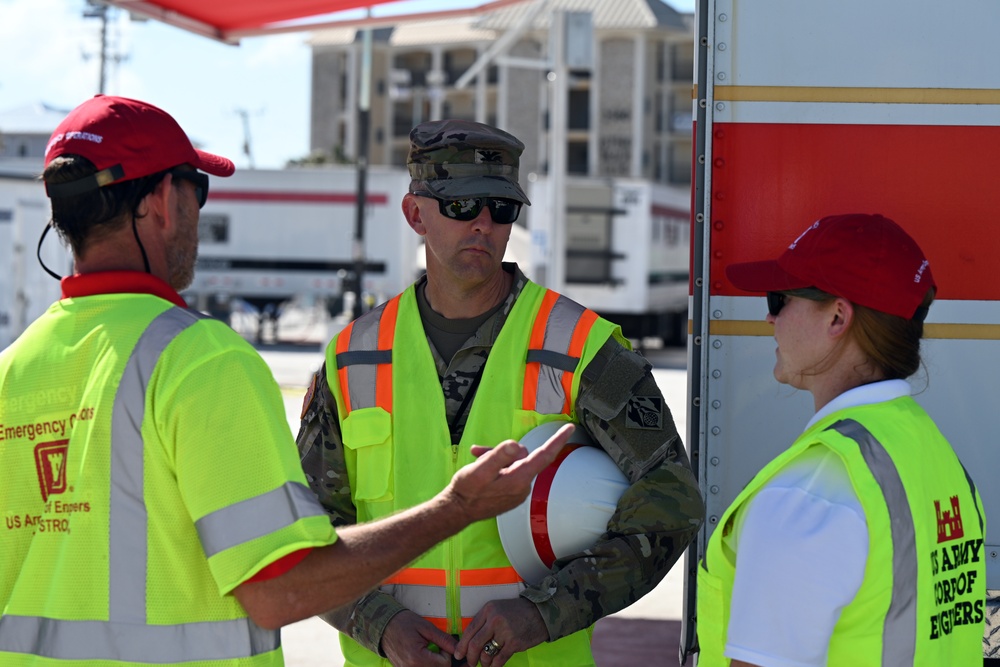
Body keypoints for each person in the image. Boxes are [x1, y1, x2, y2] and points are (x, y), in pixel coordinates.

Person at [0, 95, 577, 667]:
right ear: (160, 203)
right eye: (195, 189)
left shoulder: (13, 371)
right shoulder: (198, 361)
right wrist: (456, 507)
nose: (197, 210)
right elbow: (282, 590)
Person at [296, 118, 705, 667]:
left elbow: (672, 501)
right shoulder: (351, 358)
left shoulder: (582, 348)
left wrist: (546, 612)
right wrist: (382, 626)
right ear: (415, 213)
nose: (483, 225)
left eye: (501, 208)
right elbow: (307, 532)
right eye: (462, 207)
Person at [696, 213, 986, 666]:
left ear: (837, 317)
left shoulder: (807, 497)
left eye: (780, 299)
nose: (769, 317)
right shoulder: (933, 455)